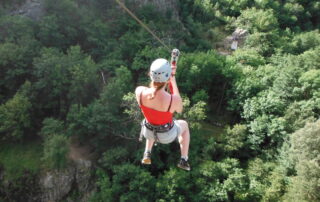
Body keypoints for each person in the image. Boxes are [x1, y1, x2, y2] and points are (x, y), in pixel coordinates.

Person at [135, 55, 191, 171]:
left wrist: (166, 77)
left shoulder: (139, 92)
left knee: (150, 121)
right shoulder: (172, 100)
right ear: (166, 77)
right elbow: (180, 109)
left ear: (150, 74)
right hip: (166, 136)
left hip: (148, 132)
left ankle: (147, 153)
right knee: (184, 125)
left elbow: (153, 94)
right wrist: (173, 79)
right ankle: (184, 159)